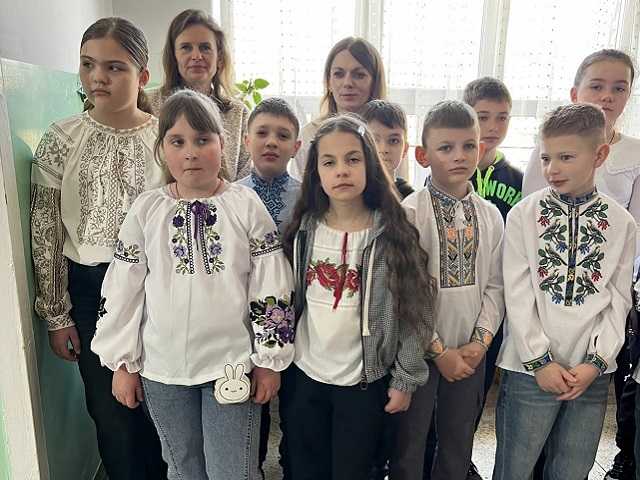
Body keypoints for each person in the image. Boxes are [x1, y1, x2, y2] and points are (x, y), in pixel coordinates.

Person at [91, 90, 295, 480]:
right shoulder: (147, 209)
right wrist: (122, 363)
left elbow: (271, 284)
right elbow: (123, 289)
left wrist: (269, 360)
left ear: (223, 143)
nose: (190, 153)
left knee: (232, 472)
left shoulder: (245, 204)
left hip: (231, 366)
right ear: (162, 150)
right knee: (182, 468)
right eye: (177, 141)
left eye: (202, 140)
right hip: (162, 370)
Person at [30, 17, 167, 480]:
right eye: (88, 65)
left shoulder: (166, 139)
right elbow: (46, 229)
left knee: (162, 407)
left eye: (114, 67)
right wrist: (57, 313)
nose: (97, 77)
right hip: (90, 292)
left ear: (142, 76)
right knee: (111, 415)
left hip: (159, 289)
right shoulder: (61, 138)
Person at [281, 113, 433, 480]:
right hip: (306, 377)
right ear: (316, 172)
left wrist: (405, 378)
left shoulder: (394, 232)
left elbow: (417, 312)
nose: (342, 171)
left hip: (364, 383)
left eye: (353, 159)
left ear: (370, 165)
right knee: (304, 469)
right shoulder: (304, 230)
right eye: (329, 162)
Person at [494, 103, 636, 480]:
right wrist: (539, 361)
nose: (552, 169)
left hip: (590, 374)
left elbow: (619, 299)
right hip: (528, 370)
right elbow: (518, 293)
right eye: (546, 158)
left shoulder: (622, 223)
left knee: (573, 468)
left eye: (566, 157)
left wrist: (596, 361)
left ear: (599, 155)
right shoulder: (523, 216)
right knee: (514, 468)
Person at [522, 48, 640, 480]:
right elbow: (532, 227)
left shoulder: (635, 155)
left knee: (575, 445)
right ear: (576, 92)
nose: (607, 96)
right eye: (597, 86)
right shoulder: (547, 152)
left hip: (601, 307)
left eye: (619, 88)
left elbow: (631, 242)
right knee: (528, 440)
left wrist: (599, 352)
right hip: (546, 311)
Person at [395, 100, 505, 480]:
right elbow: (405, 292)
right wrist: (439, 351)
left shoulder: (491, 215)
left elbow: (496, 285)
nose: (459, 156)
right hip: (419, 352)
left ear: (481, 149)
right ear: (423, 155)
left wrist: (480, 343)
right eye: (446, 147)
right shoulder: (411, 213)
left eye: (468, 146)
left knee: (459, 442)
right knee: (409, 443)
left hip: (472, 353)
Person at [236, 96, 302, 478]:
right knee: (252, 405)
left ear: (296, 146)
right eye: (262, 133)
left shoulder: (309, 197)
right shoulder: (231, 195)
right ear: (247, 140)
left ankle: (292, 464)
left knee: (294, 406)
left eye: (283, 135)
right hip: (244, 321)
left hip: (298, 318)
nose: (271, 142)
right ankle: (253, 466)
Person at [463, 76, 522, 480]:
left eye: (502, 117)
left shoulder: (517, 177)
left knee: (477, 386)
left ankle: (462, 454)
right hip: (453, 296)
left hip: (496, 299)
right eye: (483, 116)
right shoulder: (450, 170)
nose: (493, 126)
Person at [148, 8, 251, 181]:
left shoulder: (238, 114)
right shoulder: (147, 104)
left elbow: (245, 181)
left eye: (205, 48)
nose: (196, 56)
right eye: (186, 48)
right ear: (174, 56)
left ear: (219, 58)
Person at [290, 37, 387, 180]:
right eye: (339, 74)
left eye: (359, 75)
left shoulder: (389, 135)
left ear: (374, 82)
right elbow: (298, 189)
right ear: (328, 82)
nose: (347, 83)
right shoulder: (309, 135)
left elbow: (397, 188)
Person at [362, 99, 415, 200]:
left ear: (405, 149)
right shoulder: (351, 194)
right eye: (374, 140)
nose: (383, 149)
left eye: (393, 140)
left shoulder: (411, 199)